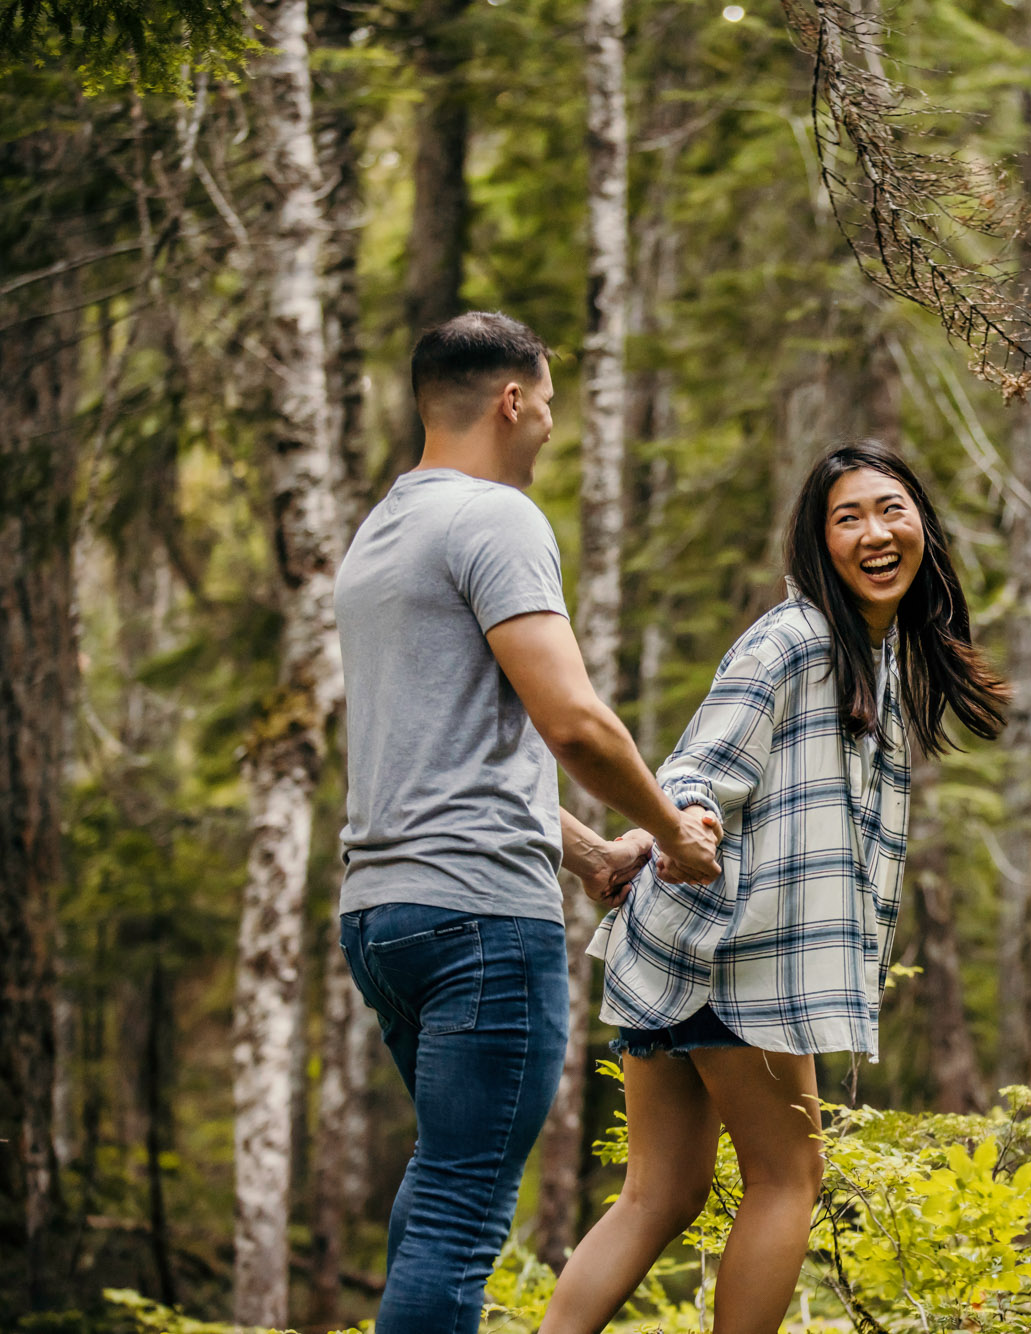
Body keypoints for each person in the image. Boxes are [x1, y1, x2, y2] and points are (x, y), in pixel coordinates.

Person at [537, 441, 1010, 1334]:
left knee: (661, 1193)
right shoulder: (796, 641)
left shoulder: (881, 658)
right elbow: (699, 767)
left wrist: (666, 834)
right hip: (739, 951)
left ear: (924, 529)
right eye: (848, 517)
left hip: (678, 943)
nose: (875, 532)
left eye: (891, 509)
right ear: (814, 543)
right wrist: (686, 820)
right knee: (788, 1179)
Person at [334, 311, 721, 1334]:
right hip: (477, 925)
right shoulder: (496, 518)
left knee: (441, 1184)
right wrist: (673, 834)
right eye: (549, 403)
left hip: (383, 916)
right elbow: (576, 725)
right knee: (462, 1214)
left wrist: (593, 851)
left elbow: (447, 755)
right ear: (512, 398)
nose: (551, 425)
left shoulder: (382, 533)